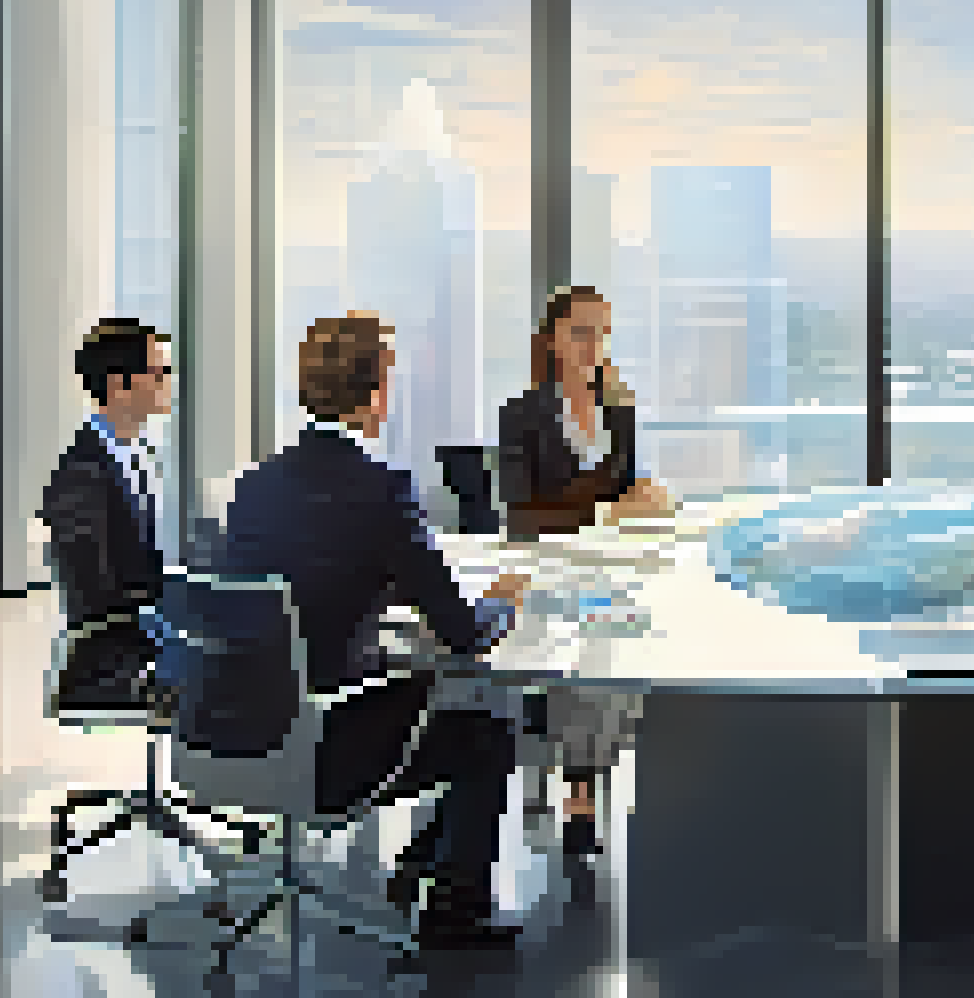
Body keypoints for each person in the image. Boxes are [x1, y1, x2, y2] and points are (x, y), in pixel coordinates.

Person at [216, 313, 532, 950]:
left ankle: (421, 862)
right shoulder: (385, 490)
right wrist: (501, 603)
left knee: (424, 688)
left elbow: (273, 597)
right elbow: (465, 633)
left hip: (230, 734)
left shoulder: (253, 488)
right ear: (377, 393)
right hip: (324, 750)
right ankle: (454, 910)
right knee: (487, 731)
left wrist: (373, 590)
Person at [495, 285, 671, 857]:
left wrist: (644, 497)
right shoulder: (522, 414)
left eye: (602, 333)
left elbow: (620, 493)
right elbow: (521, 515)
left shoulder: (618, 410)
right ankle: (577, 796)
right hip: (543, 570)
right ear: (553, 340)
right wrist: (604, 509)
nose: (593, 345)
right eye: (580, 332)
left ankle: (581, 786)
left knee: (613, 658)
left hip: (610, 569)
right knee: (583, 656)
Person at [38, 318, 173, 717]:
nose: (169, 382)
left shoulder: (144, 458)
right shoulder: (80, 478)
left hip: (151, 638)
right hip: (113, 660)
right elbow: (96, 596)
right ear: (119, 386)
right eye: (158, 373)